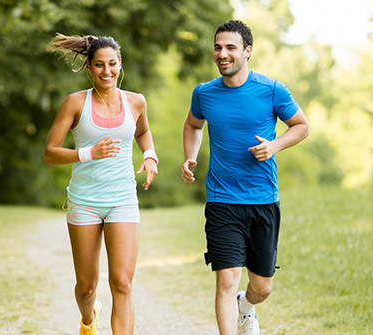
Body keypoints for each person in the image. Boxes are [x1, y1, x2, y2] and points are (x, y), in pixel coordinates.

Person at [181, 20, 309, 335]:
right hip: (222, 201)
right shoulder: (204, 93)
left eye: (230, 48)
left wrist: (275, 145)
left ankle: (246, 307)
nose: (222, 54)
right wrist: (190, 156)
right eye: (217, 47)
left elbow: (301, 125)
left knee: (262, 287)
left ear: (247, 51)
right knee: (226, 279)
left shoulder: (272, 90)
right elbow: (193, 125)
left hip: (264, 200)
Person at [44, 33, 158, 335]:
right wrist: (88, 153)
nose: (106, 72)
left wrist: (150, 157)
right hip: (84, 201)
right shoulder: (74, 103)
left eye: (112, 64)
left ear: (120, 64)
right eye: (98, 66)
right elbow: (50, 153)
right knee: (86, 286)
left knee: (122, 282)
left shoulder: (136, 102)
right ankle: (88, 319)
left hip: (122, 199)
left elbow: (143, 133)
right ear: (89, 67)